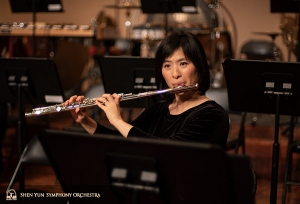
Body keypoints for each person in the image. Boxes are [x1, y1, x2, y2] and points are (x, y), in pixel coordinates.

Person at [64, 31, 229, 148]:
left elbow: (168, 151)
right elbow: (122, 140)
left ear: (199, 67)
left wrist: (117, 120)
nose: (175, 74)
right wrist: (85, 120)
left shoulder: (213, 115)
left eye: (183, 64)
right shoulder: (158, 110)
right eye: (167, 65)